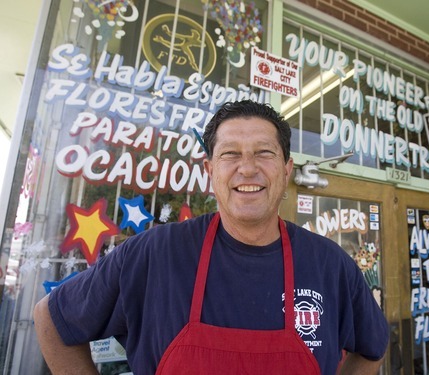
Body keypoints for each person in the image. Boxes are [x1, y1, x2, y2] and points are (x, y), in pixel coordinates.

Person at [34, 100, 389, 374]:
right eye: (230, 154)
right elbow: (51, 320)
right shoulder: (154, 254)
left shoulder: (330, 264)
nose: (247, 168)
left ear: (286, 169)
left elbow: (373, 347)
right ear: (210, 170)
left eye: (264, 153)